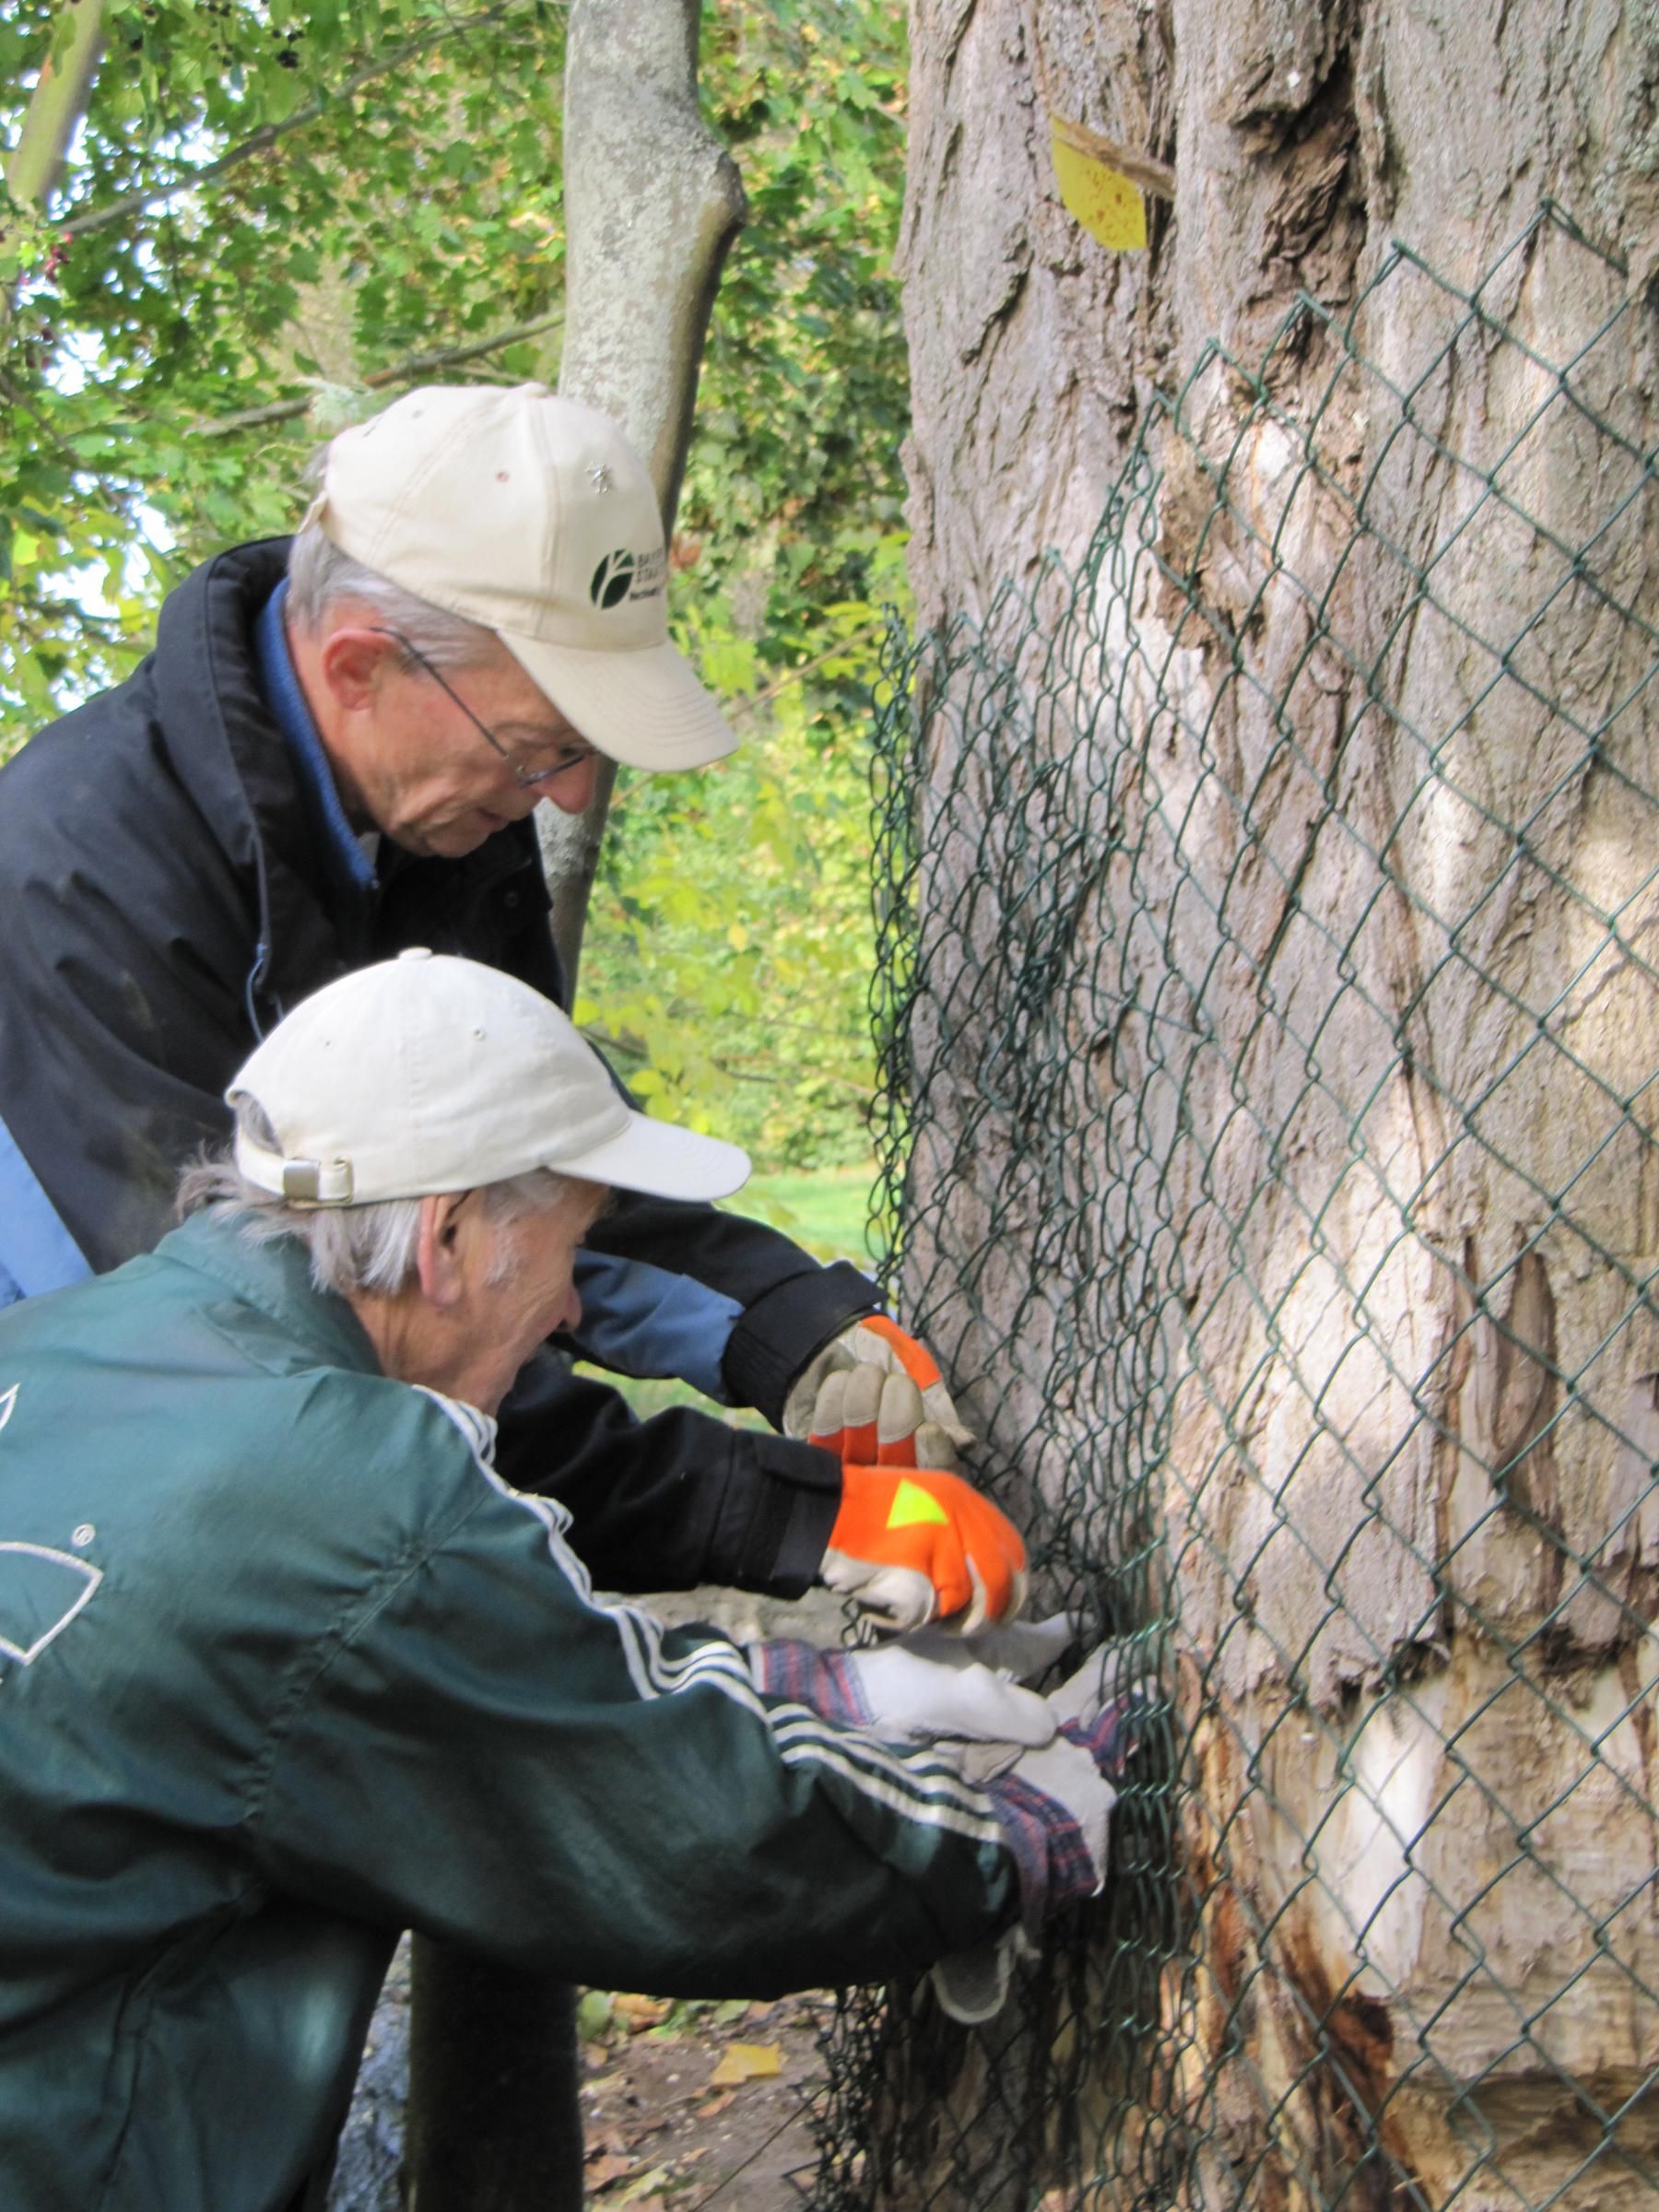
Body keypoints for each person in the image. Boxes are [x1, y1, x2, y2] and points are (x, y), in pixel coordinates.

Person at [0, 954, 1137, 2212]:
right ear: (444, 1238)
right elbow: (676, 1835)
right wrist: (1013, 1834)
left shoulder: (67, 1345)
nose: (571, 1313)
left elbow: (465, 1676)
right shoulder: (352, 1492)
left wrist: (830, 1695)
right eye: (573, 1249)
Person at [0, 379, 1016, 1628]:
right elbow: (324, 1356)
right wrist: (783, 1515)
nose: (571, 796)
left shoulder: (436, 807)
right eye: (542, 746)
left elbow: (530, 1160)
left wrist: (783, 1321)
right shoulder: (74, 876)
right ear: (361, 667)